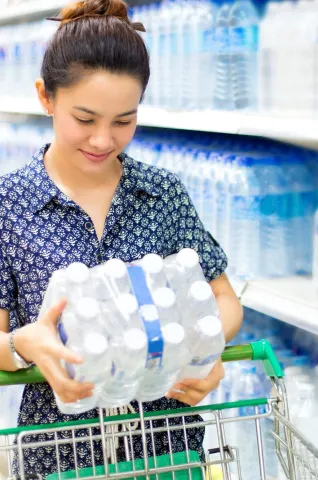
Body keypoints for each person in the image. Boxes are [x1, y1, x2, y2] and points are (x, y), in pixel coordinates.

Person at [0, 0, 243, 477]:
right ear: (45, 98)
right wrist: (23, 343)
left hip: (164, 445)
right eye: (85, 119)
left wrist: (206, 348)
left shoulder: (162, 193)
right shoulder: (8, 204)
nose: (103, 141)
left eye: (123, 121)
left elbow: (221, 298)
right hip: (62, 451)